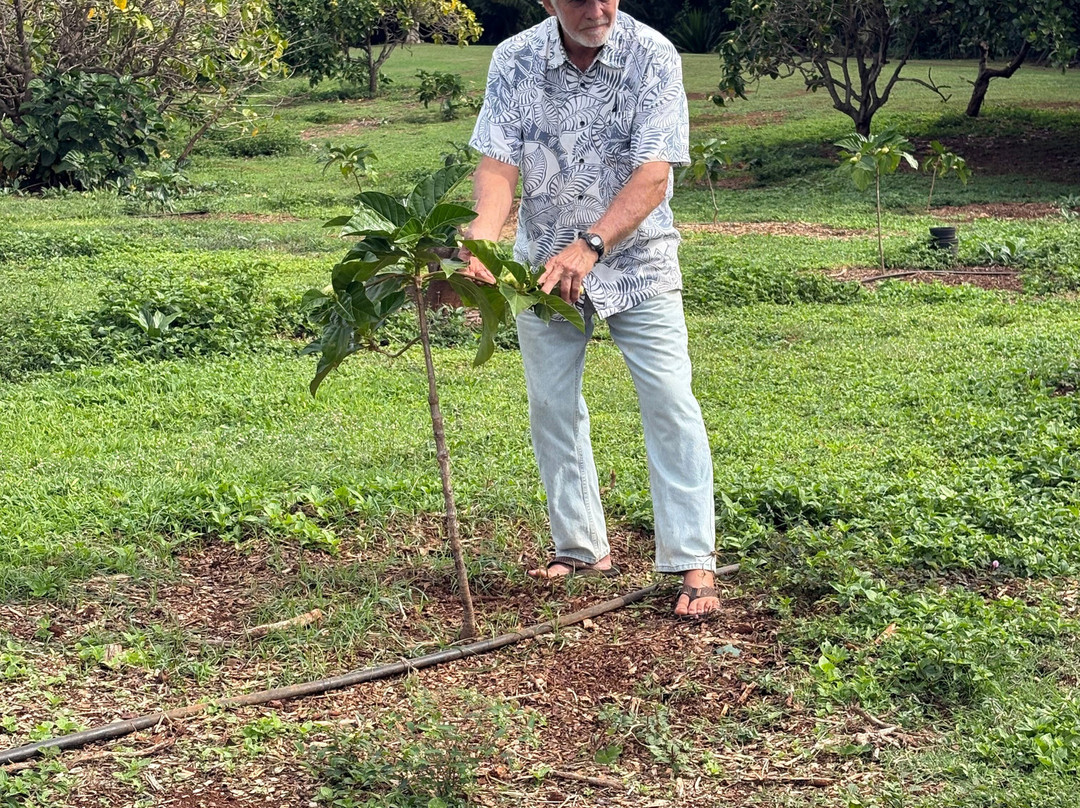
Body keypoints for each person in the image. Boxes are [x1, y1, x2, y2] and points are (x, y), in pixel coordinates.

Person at [462, 0, 719, 617]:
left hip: (638, 264)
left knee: (669, 400)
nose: (596, 8)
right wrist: (483, 239)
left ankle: (693, 560)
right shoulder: (515, 59)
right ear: (548, 2)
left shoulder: (652, 55)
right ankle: (580, 546)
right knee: (551, 403)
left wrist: (595, 244)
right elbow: (498, 163)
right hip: (543, 268)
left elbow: (654, 175)